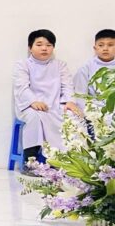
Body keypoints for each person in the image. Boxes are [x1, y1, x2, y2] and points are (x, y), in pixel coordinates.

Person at [14, 29, 78, 163]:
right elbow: (22, 87)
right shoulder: (23, 65)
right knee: (35, 117)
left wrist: (70, 101)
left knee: (73, 116)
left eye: (49, 45)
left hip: (55, 105)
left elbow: (67, 85)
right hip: (29, 106)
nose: (44, 48)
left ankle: (68, 161)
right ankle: (31, 161)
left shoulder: (60, 65)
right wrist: (33, 101)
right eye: (39, 44)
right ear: (30, 47)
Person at [73, 29, 115, 109]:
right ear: (95, 48)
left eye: (110, 45)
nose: (105, 48)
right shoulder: (86, 68)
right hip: (94, 108)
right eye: (101, 45)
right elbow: (80, 95)